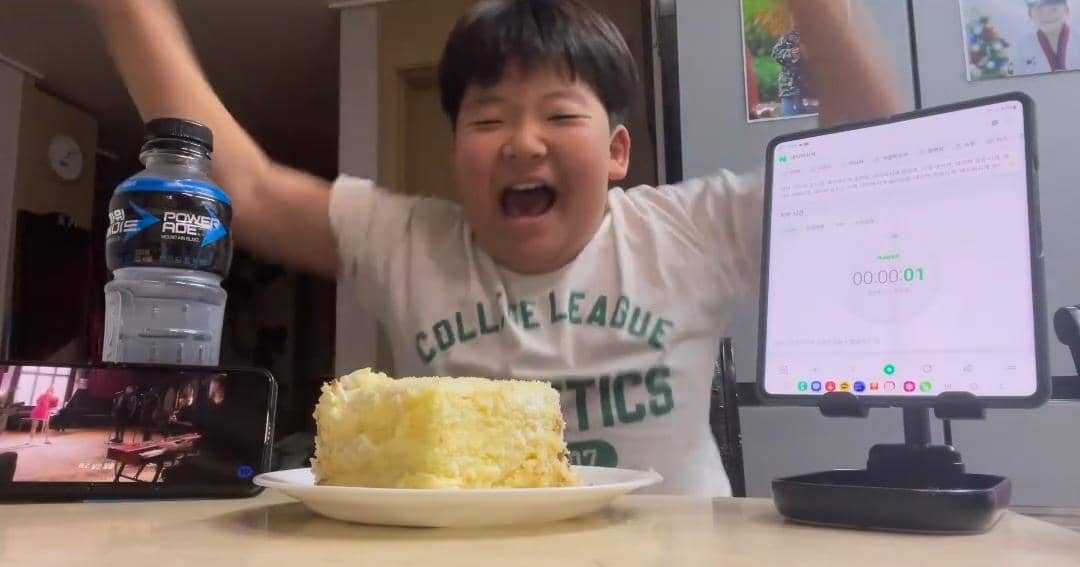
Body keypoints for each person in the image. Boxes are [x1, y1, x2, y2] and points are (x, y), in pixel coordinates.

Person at [82, 0, 901, 496]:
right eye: (487, 118)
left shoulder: (689, 231)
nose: (522, 141)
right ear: (455, 154)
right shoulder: (408, 242)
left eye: (560, 114)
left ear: (617, 151)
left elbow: (872, 168)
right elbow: (250, 189)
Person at [1014, 0, 1080, 75]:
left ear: (1066, 10)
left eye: (1054, 9)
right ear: (1030, 14)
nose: (1047, 15)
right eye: (1039, 10)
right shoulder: (1023, 45)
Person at [772, 21, 807, 117]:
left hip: (803, 85)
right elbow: (775, 53)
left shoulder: (810, 36)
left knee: (803, 116)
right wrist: (790, 53)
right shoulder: (787, 37)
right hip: (788, 85)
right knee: (788, 116)